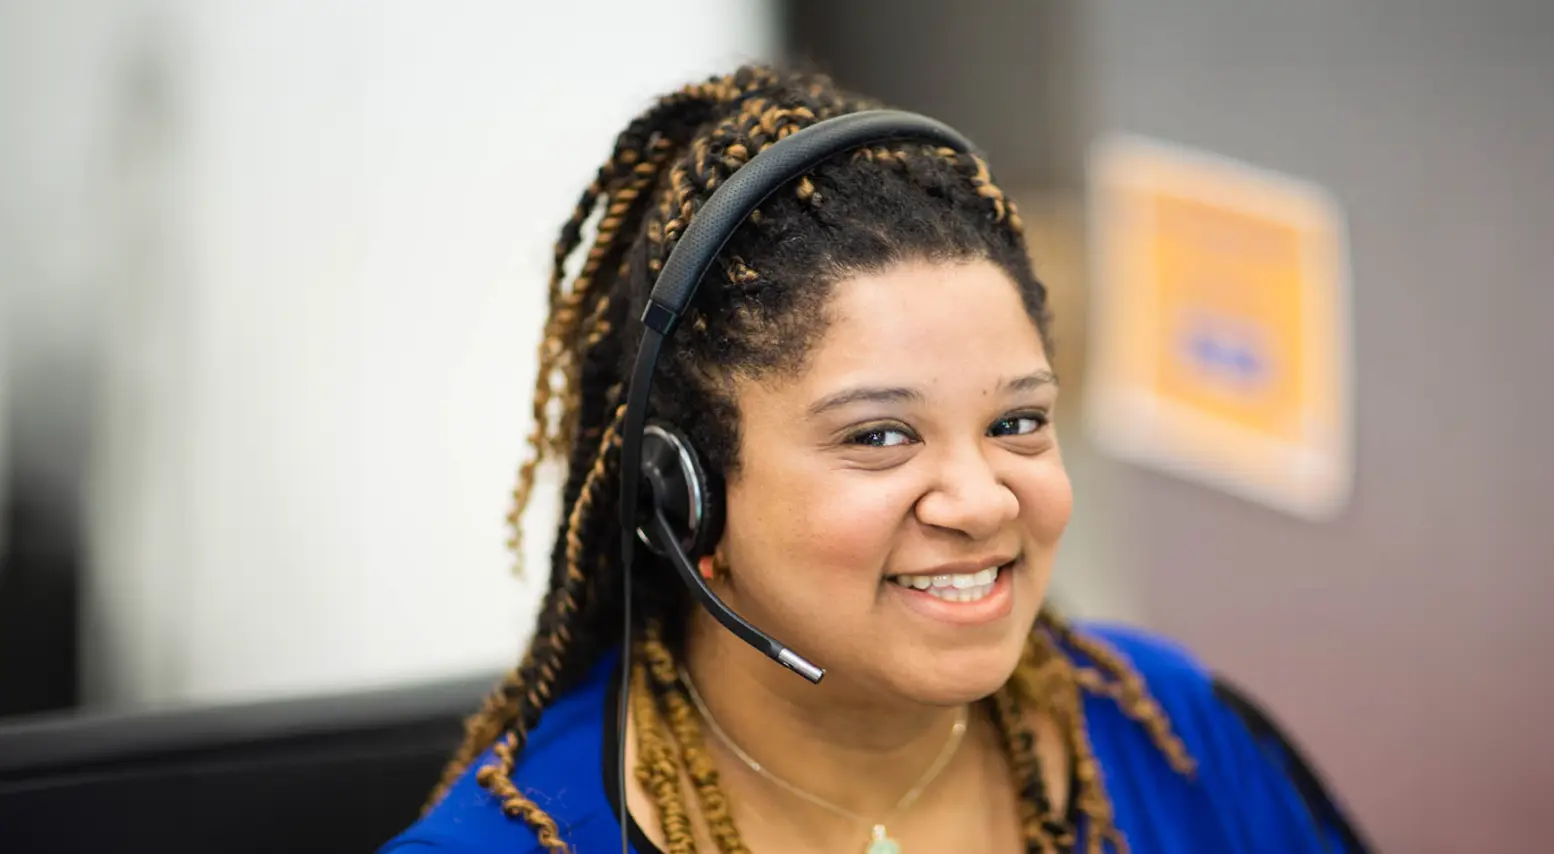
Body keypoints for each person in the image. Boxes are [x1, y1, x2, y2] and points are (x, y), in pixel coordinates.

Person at [380, 65, 1366, 854]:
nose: (981, 500)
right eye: (879, 436)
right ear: (683, 498)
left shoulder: (1171, 736)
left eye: (1016, 421)